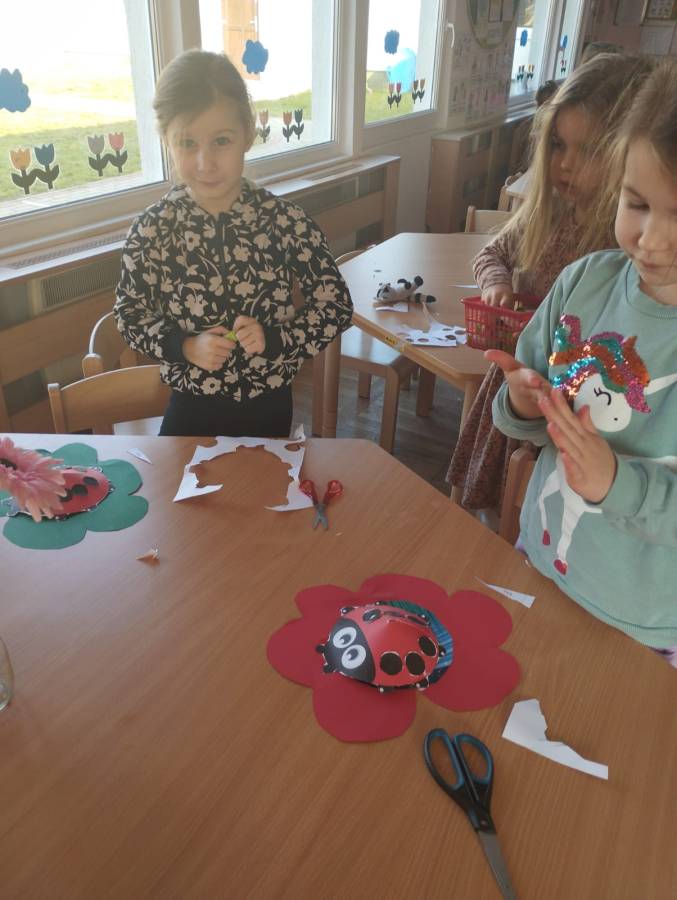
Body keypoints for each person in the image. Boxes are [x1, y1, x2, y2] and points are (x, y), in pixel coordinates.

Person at [489, 59, 677, 659]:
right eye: (636, 203)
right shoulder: (583, 282)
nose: (650, 240)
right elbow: (522, 415)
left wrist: (617, 484)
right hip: (542, 563)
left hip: (644, 625)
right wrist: (523, 401)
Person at [447, 53, 652, 514]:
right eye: (558, 145)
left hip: (575, 414)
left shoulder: (626, 245)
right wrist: (497, 283)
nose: (566, 165)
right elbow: (491, 254)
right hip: (519, 386)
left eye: (589, 151)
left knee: (539, 508)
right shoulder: (548, 213)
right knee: (498, 501)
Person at [115, 50, 353, 438]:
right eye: (187, 143)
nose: (205, 162)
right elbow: (129, 313)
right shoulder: (153, 229)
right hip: (190, 405)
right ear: (166, 141)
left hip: (268, 405)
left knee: (264, 479)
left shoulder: (284, 221)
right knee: (179, 482)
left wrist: (276, 339)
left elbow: (335, 305)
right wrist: (184, 346)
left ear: (247, 134)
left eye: (221, 141)